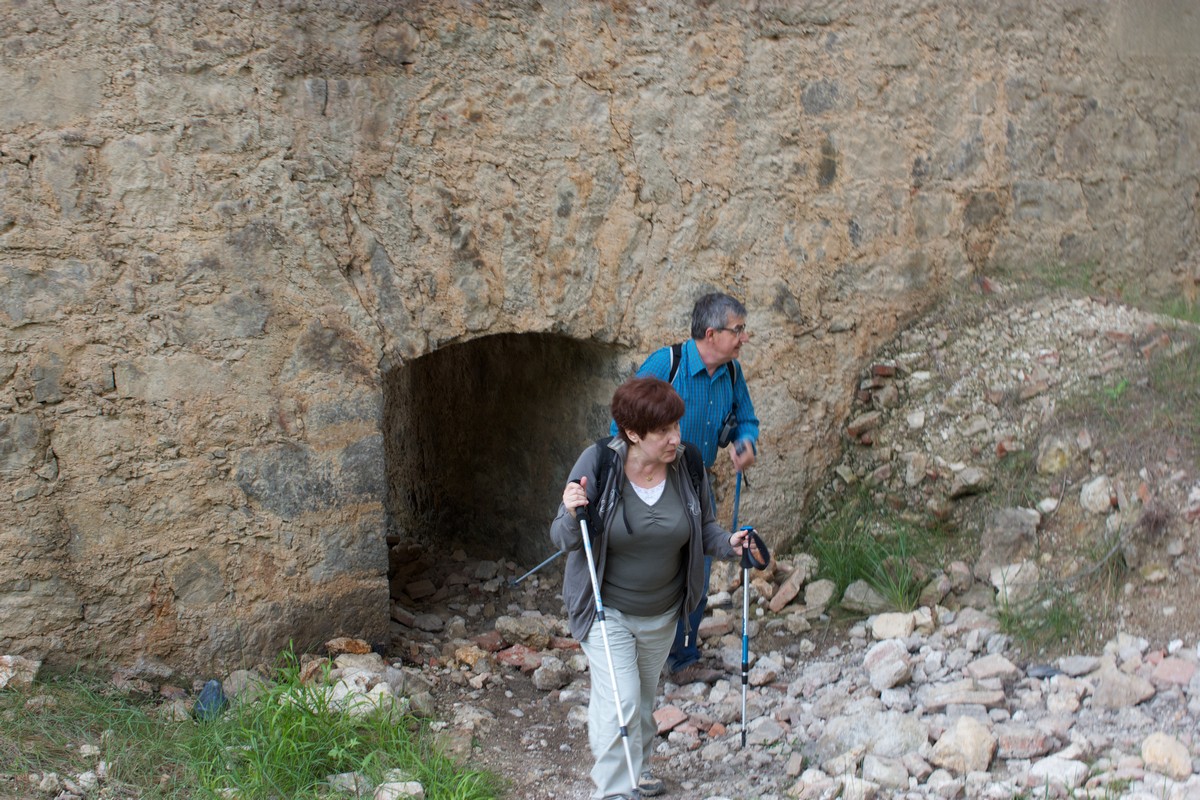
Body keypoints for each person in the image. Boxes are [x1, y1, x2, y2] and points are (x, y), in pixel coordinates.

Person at [552, 377, 753, 800]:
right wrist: (572, 514)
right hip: (605, 610)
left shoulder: (688, 464)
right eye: (663, 431)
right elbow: (563, 537)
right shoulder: (599, 463)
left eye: (676, 426)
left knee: (642, 702)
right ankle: (614, 791)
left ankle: (636, 769)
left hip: (662, 614)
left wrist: (731, 544)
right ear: (632, 433)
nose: (675, 438)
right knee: (621, 700)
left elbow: (704, 528)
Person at [617, 292, 759, 684]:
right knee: (647, 566)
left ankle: (682, 658)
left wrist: (745, 442)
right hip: (652, 481)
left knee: (697, 567)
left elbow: (747, 419)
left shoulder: (732, 373)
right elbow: (622, 423)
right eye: (738, 330)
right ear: (711, 334)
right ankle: (631, 652)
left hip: (696, 481)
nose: (744, 337)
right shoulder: (667, 364)